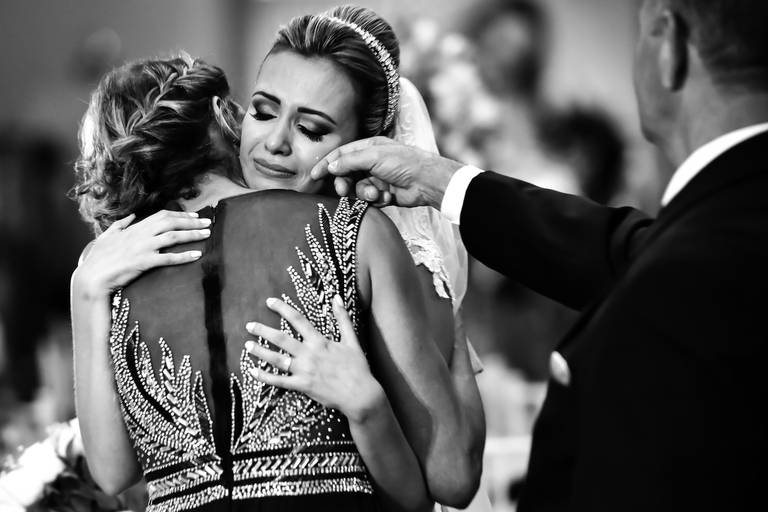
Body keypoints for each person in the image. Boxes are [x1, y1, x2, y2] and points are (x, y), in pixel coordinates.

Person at [313, 0, 768, 510]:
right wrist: (441, 180)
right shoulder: (732, 219)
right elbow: (626, 250)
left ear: (669, 43)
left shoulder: (712, 243)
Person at [71, 5, 483, 511]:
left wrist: (85, 289)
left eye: (312, 129)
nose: (274, 144)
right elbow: (435, 489)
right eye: (263, 112)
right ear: (224, 118)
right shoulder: (355, 234)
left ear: (364, 147)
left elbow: (112, 474)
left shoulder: (117, 268)